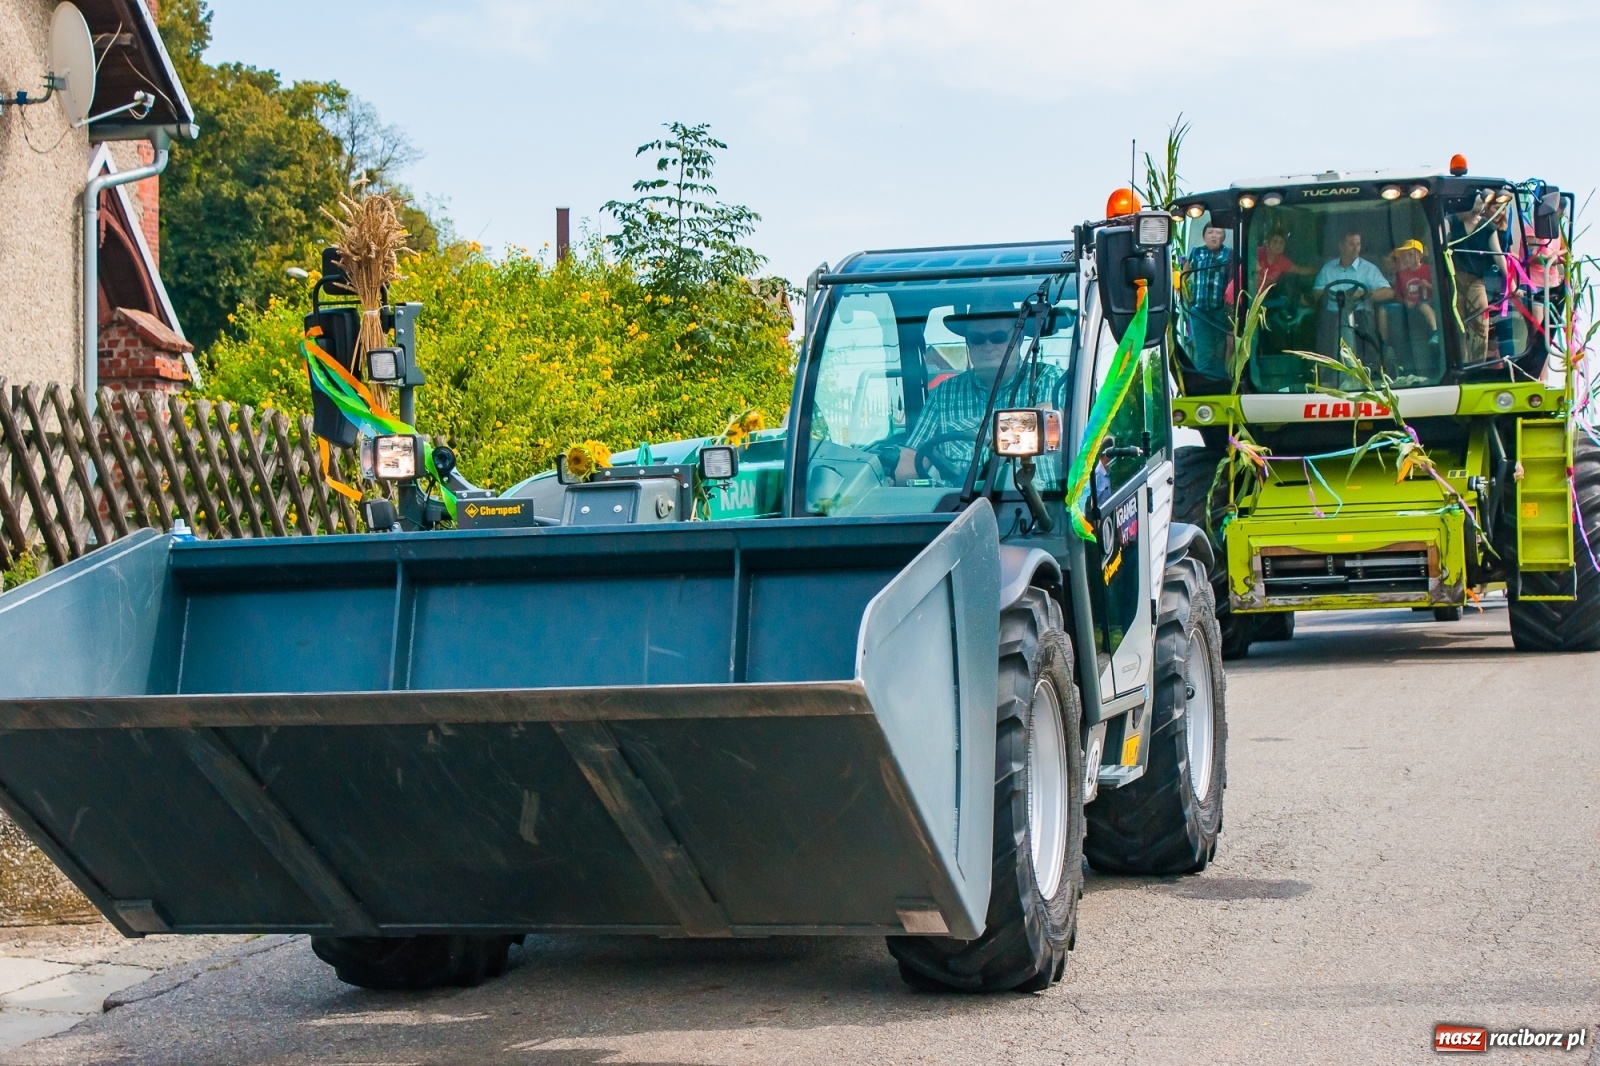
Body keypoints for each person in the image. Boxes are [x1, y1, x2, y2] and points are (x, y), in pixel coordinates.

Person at [895, 308, 1064, 485]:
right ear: (968, 343)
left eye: (997, 337)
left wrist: (1031, 422)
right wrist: (898, 485)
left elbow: (1057, 416)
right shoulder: (944, 394)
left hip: (1040, 506)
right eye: (977, 339)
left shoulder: (1049, 379)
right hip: (960, 507)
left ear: (1019, 338)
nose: (987, 346)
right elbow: (913, 456)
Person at [1447, 192, 1510, 362]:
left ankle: (1477, 365)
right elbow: (1441, 242)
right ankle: (1460, 363)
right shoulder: (1452, 221)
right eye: (1479, 200)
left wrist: (1509, 281)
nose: (1482, 204)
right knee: (1457, 323)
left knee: (1481, 324)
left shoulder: (1487, 226)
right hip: (1455, 280)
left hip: (1477, 281)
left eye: (1484, 201)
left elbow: (1498, 254)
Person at [1313, 230, 1393, 360]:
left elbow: (1388, 292)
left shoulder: (1369, 269)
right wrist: (1331, 294)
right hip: (1332, 317)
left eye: (1358, 244)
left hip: (1361, 316)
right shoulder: (1328, 269)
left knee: (1368, 344)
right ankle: (1327, 371)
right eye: (1351, 244)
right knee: (1323, 340)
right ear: (1341, 245)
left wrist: (1362, 293)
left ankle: (1370, 367)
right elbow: (1316, 292)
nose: (1356, 249)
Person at [1183, 223, 1234, 378]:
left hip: (1220, 312)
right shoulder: (1195, 252)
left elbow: (1234, 280)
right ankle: (1206, 386)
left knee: (1220, 352)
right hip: (1200, 313)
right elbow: (1184, 275)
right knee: (1203, 355)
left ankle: (1222, 385)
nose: (1213, 236)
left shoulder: (1230, 254)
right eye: (1210, 232)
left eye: (1218, 232)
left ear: (1223, 237)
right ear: (1204, 236)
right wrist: (1185, 293)